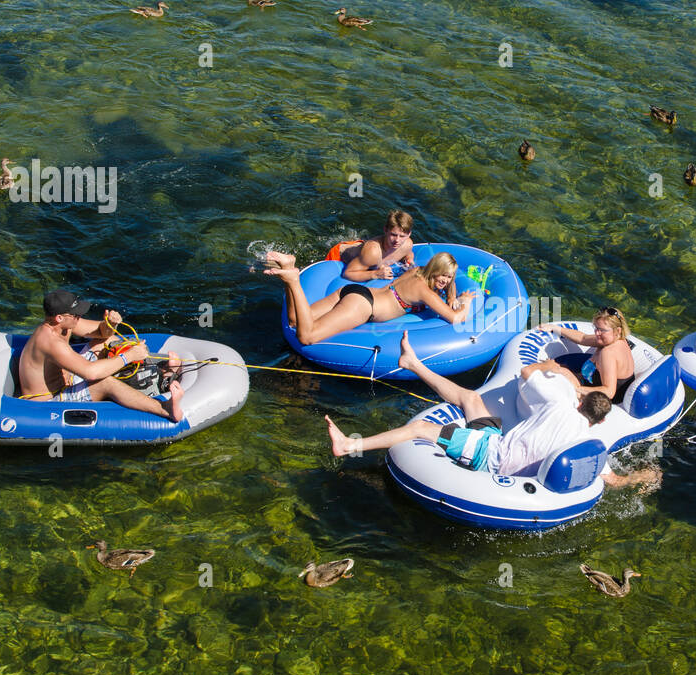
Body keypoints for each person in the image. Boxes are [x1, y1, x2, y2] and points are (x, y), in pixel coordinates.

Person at [323, 332, 661, 489]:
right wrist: (643, 477)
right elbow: (614, 481)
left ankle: (349, 446)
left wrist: (553, 368)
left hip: (490, 457)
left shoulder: (560, 402)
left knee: (419, 430)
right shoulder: (589, 447)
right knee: (471, 398)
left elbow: (526, 374)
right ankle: (412, 362)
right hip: (495, 442)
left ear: (579, 402)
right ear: (600, 420)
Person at [17, 290, 185, 422]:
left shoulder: (62, 325)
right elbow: (91, 373)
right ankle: (165, 408)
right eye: (75, 314)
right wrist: (129, 356)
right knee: (105, 383)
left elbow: (101, 333)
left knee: (108, 341)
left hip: (67, 381)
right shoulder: (50, 342)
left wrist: (109, 324)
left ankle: (156, 373)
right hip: (50, 403)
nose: (79, 316)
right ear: (59, 317)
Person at [265, 250, 475, 345]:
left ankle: (289, 268)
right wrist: (465, 302)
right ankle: (293, 279)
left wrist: (451, 293)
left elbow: (449, 283)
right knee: (307, 336)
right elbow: (456, 318)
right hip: (363, 306)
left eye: (449, 277)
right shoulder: (426, 293)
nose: (445, 281)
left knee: (294, 320)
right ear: (434, 270)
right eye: (443, 275)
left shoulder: (418, 271)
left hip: (351, 291)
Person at [539, 307, 638, 405]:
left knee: (556, 369)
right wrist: (555, 328)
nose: (597, 333)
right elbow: (583, 338)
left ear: (618, 330)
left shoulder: (608, 353)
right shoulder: (617, 339)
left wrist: (576, 388)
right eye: (596, 328)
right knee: (557, 368)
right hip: (599, 383)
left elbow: (609, 392)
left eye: (602, 330)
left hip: (604, 399)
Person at [327, 210, 416, 282]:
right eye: (393, 235)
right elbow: (347, 273)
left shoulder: (407, 244)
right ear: (385, 230)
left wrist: (409, 260)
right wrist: (376, 274)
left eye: (402, 236)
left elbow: (408, 253)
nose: (397, 240)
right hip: (339, 253)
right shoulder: (373, 253)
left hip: (363, 250)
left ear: (409, 234)